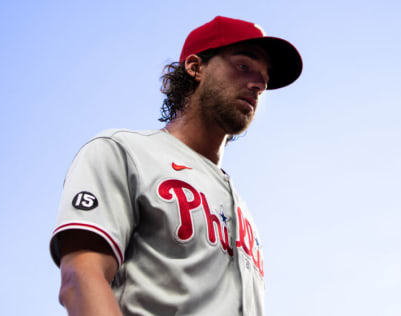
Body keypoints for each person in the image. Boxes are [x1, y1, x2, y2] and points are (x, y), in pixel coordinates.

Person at [50, 16, 302, 316]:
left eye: (264, 78)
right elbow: (80, 278)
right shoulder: (124, 151)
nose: (258, 84)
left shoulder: (240, 207)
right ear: (195, 67)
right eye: (244, 66)